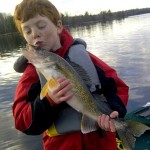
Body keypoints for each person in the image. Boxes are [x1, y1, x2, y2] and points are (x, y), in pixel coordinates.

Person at [12, 0, 129, 149]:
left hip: (102, 143)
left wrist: (113, 110)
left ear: (58, 26)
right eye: (27, 31)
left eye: (41, 26)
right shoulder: (31, 74)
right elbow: (21, 120)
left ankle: (127, 130)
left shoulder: (83, 57)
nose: (35, 34)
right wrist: (48, 102)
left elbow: (118, 86)